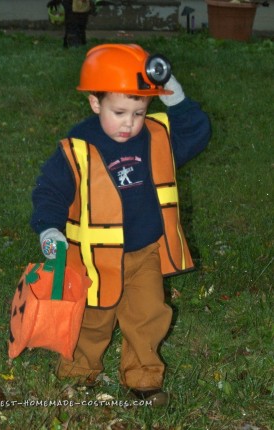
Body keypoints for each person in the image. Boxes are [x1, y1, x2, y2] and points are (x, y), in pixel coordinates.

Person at [31, 44, 211, 406]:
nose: (129, 123)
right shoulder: (78, 146)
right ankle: (79, 373)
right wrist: (49, 229)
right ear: (95, 103)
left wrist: (171, 89)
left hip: (144, 251)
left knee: (147, 316)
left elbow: (197, 133)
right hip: (94, 258)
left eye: (140, 111)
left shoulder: (155, 137)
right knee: (93, 319)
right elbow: (49, 192)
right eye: (119, 112)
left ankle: (144, 380)